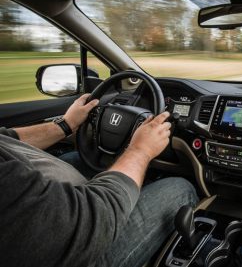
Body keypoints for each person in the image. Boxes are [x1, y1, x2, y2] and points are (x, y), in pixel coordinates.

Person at [0, 94, 198, 267]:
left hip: (49, 214)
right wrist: (140, 150)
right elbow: (88, 220)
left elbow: (6, 140)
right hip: (80, 249)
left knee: (82, 159)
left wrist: (65, 124)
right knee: (180, 187)